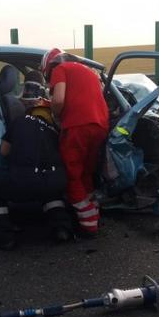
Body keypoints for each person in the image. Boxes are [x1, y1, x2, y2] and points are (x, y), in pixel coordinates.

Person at [0, 71, 72, 250]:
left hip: (27, 181)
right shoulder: (52, 128)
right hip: (57, 180)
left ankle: (2, 236)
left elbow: (4, 151)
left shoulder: (18, 122)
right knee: (51, 191)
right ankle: (63, 228)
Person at [41, 48, 109, 236]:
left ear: (48, 66)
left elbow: (59, 99)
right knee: (86, 172)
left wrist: (55, 114)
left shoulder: (60, 70)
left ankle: (88, 224)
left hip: (78, 126)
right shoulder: (88, 71)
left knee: (71, 174)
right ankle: (93, 211)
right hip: (100, 125)